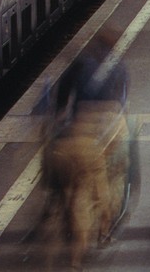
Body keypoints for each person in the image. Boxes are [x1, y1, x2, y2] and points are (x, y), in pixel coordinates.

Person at [43, 28, 128, 269]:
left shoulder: (79, 64)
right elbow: (122, 102)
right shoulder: (118, 67)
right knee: (112, 180)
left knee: (75, 189)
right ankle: (102, 230)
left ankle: (59, 209)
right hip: (103, 135)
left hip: (73, 133)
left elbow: (61, 101)